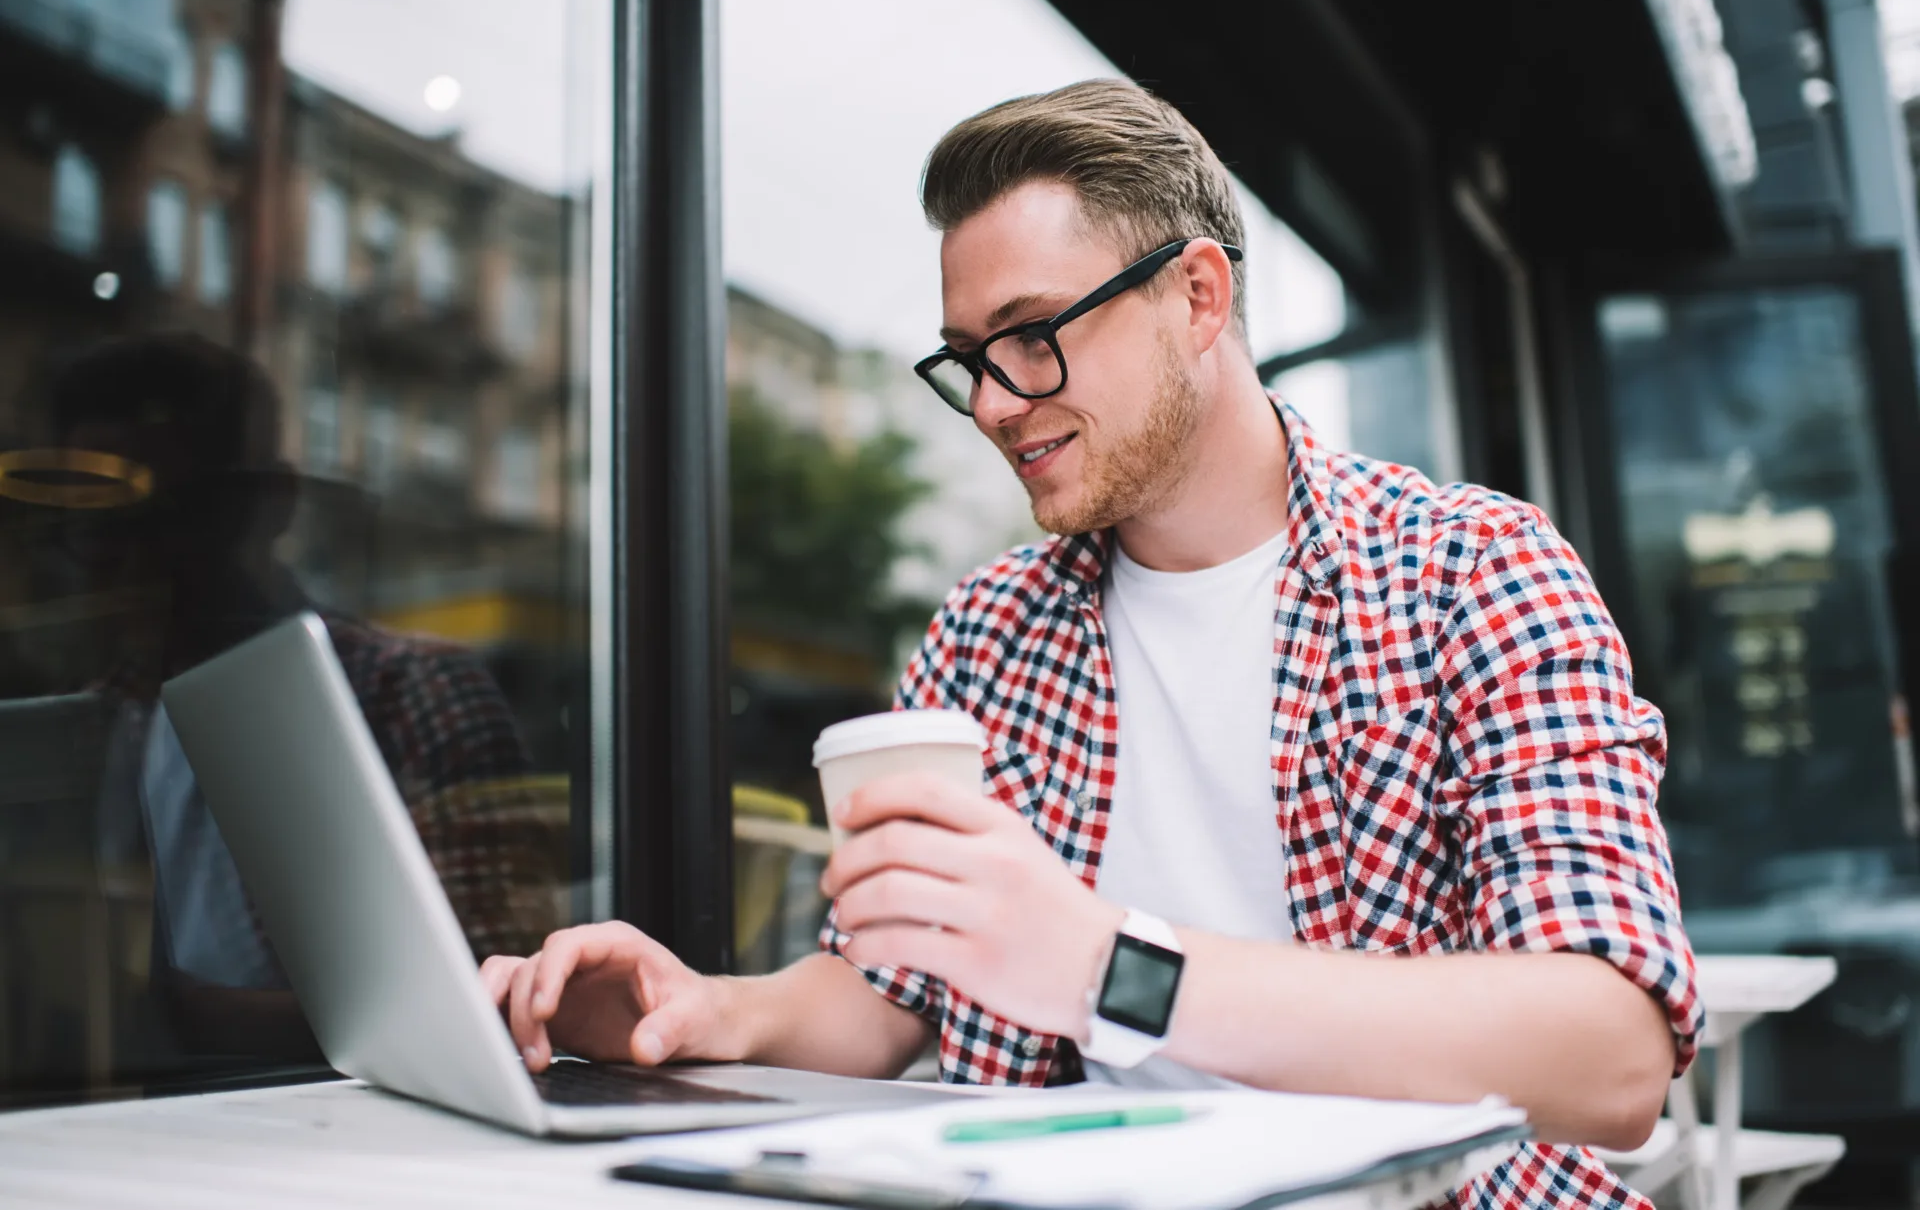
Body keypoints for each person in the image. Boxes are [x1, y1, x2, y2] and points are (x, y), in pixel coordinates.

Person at [484, 80, 1700, 1210]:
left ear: (1198, 298)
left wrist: (1106, 967)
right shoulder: (988, 630)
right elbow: (890, 992)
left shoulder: (1473, 572)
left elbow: (1611, 1055)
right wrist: (701, 1013)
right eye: (969, 363)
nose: (999, 402)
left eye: (1031, 334)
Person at [40, 332, 558, 1057]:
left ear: (264, 507)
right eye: (97, 521)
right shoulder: (90, 719)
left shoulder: (411, 695)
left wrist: (165, 1016)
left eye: (170, 515)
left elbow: (502, 1010)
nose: (129, 554)